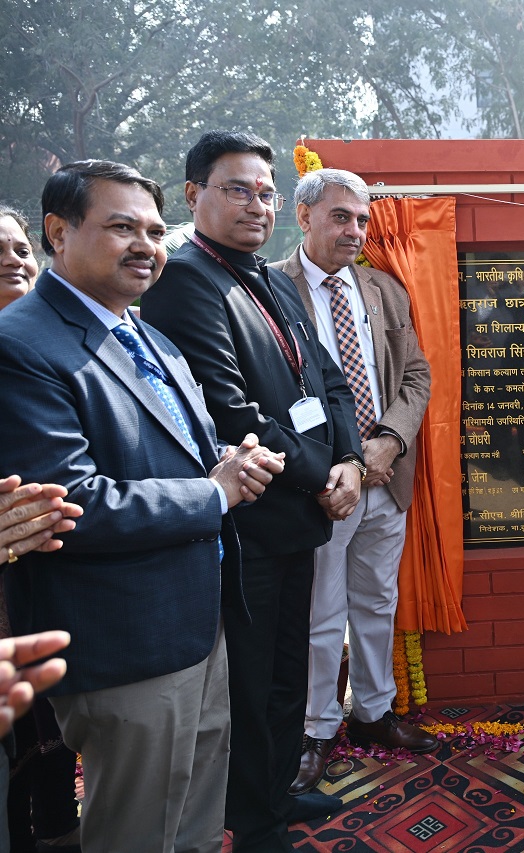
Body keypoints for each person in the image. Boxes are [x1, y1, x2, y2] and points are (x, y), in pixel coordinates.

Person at [0, 159, 286, 853]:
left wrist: (231, 457)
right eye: (122, 226)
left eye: (156, 231)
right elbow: (71, 504)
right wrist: (214, 491)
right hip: (127, 639)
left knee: (189, 828)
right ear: (58, 233)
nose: (146, 245)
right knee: (136, 834)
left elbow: (180, 448)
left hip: (197, 625)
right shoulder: (23, 346)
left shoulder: (146, 333)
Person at [141, 131, 365, 852]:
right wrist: (319, 474)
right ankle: (253, 820)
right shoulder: (185, 280)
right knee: (248, 681)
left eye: (266, 192)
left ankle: (273, 793)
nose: (256, 204)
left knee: (285, 673)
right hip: (247, 525)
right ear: (193, 195)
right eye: (238, 189)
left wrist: (352, 463)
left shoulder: (265, 277)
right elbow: (233, 412)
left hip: (300, 513)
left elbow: (328, 381)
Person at [270, 168, 436, 796]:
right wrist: (334, 466)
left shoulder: (384, 290)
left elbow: (415, 376)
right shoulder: (270, 291)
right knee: (320, 612)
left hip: (385, 479)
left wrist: (389, 441)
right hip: (320, 488)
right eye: (341, 216)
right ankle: (315, 729)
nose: (354, 230)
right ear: (303, 214)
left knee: (376, 602)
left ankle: (372, 714)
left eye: (362, 218)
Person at [0, 205, 82, 852]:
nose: (14, 261)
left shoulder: (54, 347)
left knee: (51, 743)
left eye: (21, 249)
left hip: (49, 588)